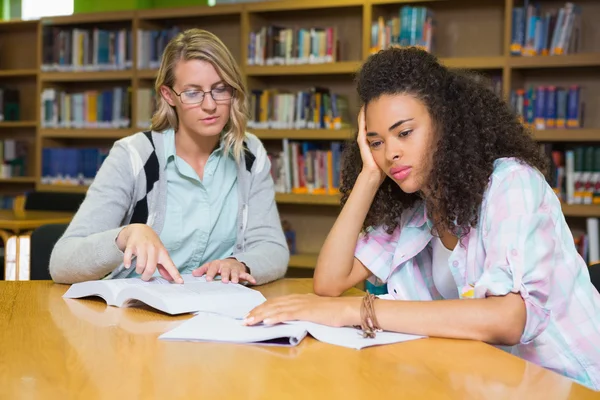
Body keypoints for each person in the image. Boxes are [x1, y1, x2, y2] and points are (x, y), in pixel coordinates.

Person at [244, 47, 600, 390]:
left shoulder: (510, 182)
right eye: (376, 142)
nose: (392, 153)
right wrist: (369, 176)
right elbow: (329, 282)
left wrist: (360, 310)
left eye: (404, 133)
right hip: (491, 380)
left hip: (567, 383)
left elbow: (508, 318)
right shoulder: (416, 205)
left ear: (446, 123)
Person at [49, 29, 289, 286]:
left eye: (220, 89)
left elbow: (272, 247)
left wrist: (239, 264)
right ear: (168, 95)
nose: (210, 105)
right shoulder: (133, 156)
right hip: (136, 313)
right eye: (193, 93)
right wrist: (125, 236)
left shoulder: (249, 154)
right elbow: (62, 263)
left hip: (215, 312)